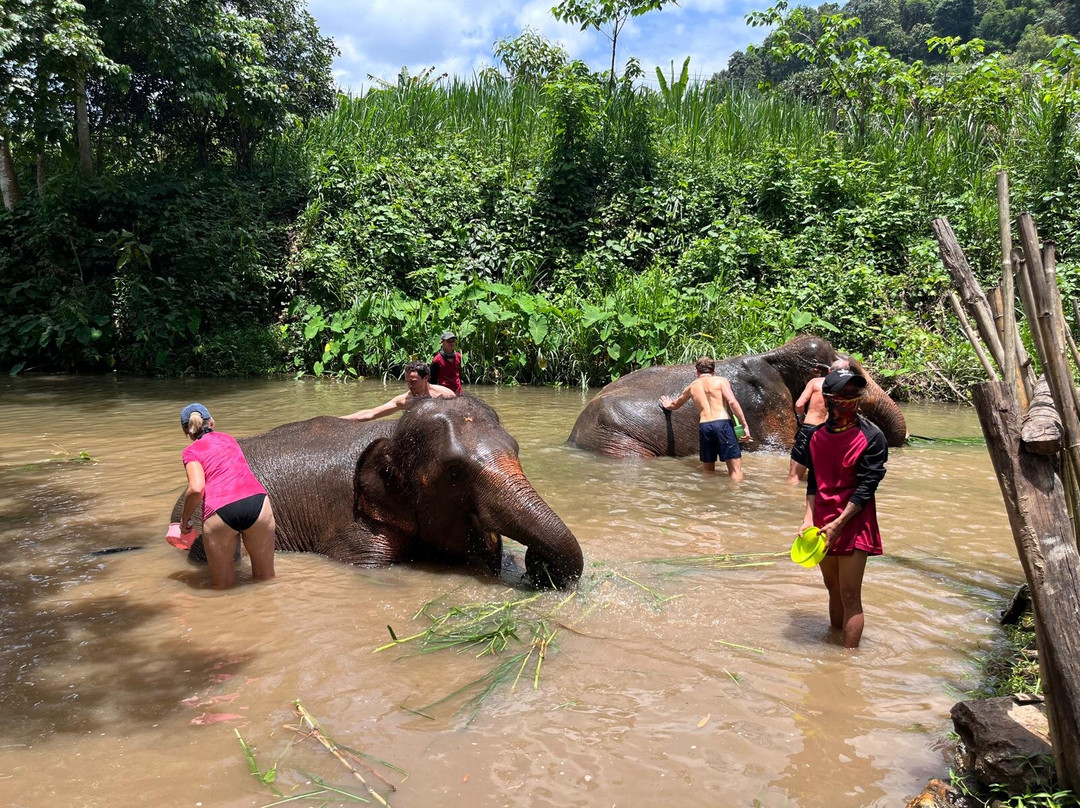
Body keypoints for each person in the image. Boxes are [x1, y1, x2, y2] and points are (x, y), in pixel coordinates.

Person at [791, 368, 888, 650]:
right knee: (832, 588)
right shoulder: (814, 437)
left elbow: (867, 486)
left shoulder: (872, 437)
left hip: (854, 521)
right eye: (842, 394)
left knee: (849, 594)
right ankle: (832, 649)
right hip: (822, 522)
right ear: (829, 399)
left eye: (853, 394)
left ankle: (848, 662)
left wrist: (840, 523)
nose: (849, 400)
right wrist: (808, 518)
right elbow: (813, 481)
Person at [177, 403, 276, 590]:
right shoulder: (229, 439)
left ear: (186, 430)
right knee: (267, 580)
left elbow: (196, 488)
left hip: (220, 511)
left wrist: (185, 521)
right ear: (212, 422)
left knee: (222, 588)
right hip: (257, 502)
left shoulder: (191, 451)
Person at [659, 357, 753, 481]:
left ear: (697, 372)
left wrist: (667, 404)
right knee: (736, 471)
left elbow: (676, 404)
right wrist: (745, 425)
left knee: (708, 471)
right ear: (713, 371)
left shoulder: (692, 387)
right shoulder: (721, 381)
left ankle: (709, 496)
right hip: (723, 424)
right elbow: (732, 402)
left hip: (705, 427)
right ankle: (735, 497)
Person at [786, 358, 849, 484]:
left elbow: (799, 404)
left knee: (794, 477)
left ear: (830, 371)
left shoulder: (816, 382)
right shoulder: (848, 389)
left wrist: (801, 418)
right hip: (832, 432)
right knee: (823, 477)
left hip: (810, 428)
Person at [341, 360, 455, 421]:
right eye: (407, 381)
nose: (409, 385)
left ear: (426, 378)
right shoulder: (405, 400)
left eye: (413, 381)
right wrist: (341, 420)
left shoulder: (445, 395)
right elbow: (371, 413)